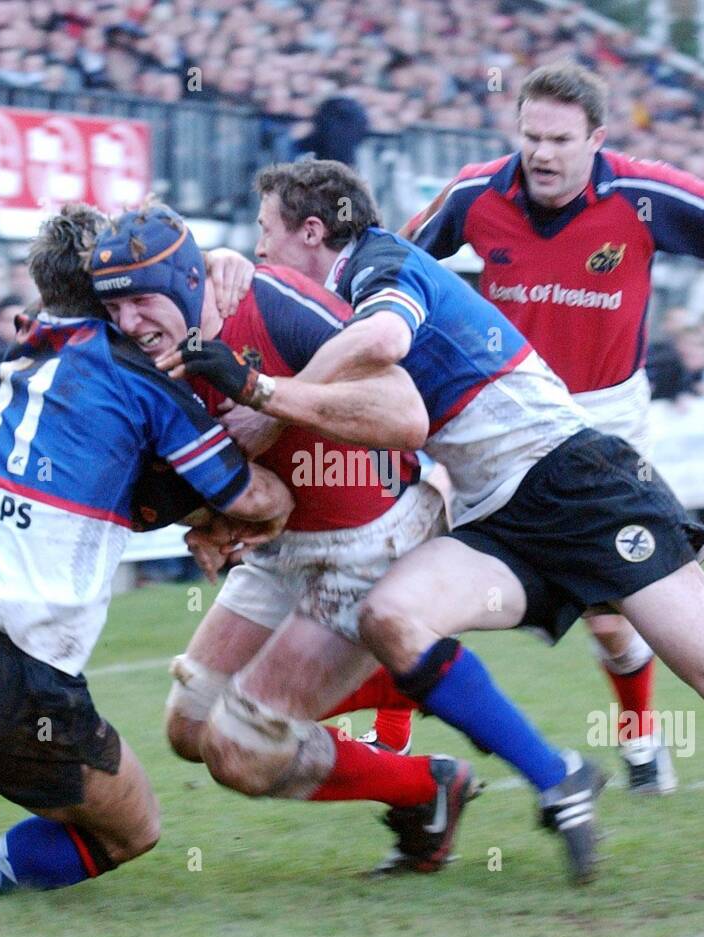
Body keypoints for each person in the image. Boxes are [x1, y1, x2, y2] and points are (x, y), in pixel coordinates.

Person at [170, 159, 704, 885]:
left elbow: (382, 339)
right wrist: (227, 268)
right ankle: (557, 775)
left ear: (315, 232)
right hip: (500, 516)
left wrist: (262, 402)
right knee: (391, 613)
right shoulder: (329, 280)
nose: (261, 249)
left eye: (266, 232)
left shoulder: (380, 266)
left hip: (577, 482)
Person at [396, 60, 704, 790]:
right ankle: (403, 768)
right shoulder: (478, 194)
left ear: (597, 140)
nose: (540, 152)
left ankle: (640, 742)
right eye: (530, 135)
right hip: (500, 418)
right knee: (405, 582)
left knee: (612, 616)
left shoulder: (641, 193)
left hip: (602, 422)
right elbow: (395, 260)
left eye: (559, 139)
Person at [0, 203, 294, 900]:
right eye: (126, 292)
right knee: (131, 829)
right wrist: (275, 473)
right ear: (106, 290)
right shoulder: (137, 378)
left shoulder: (27, 340)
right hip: (8, 673)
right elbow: (250, 498)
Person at [89, 202, 479, 874]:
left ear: (185, 282)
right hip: (279, 547)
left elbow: (406, 412)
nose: (126, 322)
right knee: (189, 726)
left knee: (237, 750)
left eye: (141, 300)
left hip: (369, 537)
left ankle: (449, 764)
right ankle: (418, 760)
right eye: (112, 306)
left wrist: (270, 397)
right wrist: (205, 521)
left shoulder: (270, 299)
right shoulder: (130, 347)